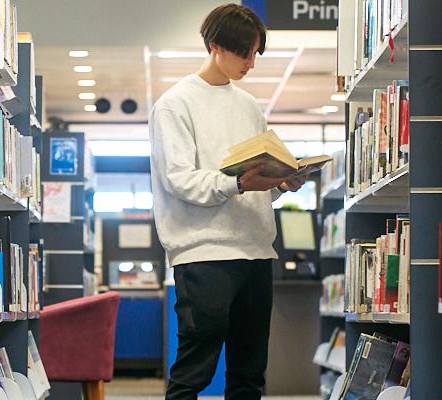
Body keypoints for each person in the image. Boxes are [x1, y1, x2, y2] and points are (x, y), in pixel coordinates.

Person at [147, 4, 307, 399]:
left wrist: (280, 184)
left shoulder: (249, 105)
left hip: (256, 250)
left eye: (256, 54)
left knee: (249, 374)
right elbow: (180, 180)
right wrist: (238, 183)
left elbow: (253, 185)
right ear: (214, 46)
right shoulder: (175, 104)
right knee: (194, 371)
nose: (251, 64)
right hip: (204, 252)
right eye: (244, 54)